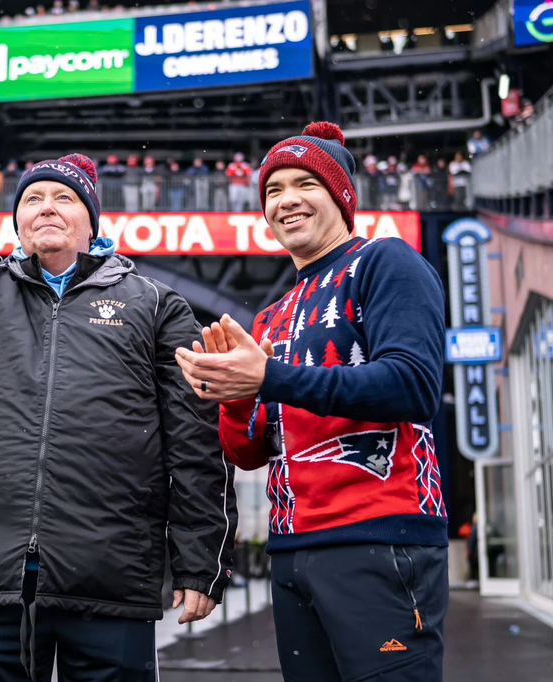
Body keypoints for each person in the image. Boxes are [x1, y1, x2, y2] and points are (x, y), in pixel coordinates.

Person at [0, 17, 235, 682]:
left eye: (63, 198)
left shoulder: (155, 306)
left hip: (110, 582)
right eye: (33, 199)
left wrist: (200, 560)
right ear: (17, 221)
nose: (46, 207)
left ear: (92, 221)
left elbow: (193, 443)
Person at [175, 122, 448, 682]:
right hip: (292, 549)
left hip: (380, 537)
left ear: (342, 197)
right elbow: (250, 454)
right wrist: (232, 394)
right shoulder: (271, 314)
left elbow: (413, 386)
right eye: (273, 190)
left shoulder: (385, 262)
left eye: (305, 184)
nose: (287, 200)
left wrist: (270, 376)